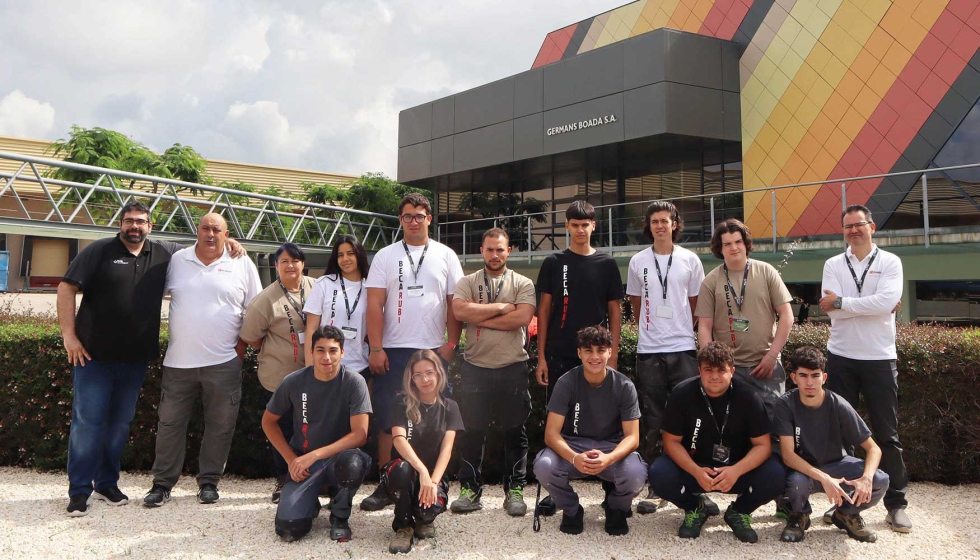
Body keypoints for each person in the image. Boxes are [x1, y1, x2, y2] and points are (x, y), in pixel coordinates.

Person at [58, 201, 245, 517]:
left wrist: (228, 241)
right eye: (129, 220)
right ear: (121, 224)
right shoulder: (98, 251)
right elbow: (66, 288)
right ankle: (79, 491)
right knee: (87, 424)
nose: (135, 226)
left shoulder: (164, 254)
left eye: (141, 221)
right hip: (93, 358)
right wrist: (69, 336)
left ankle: (106, 484)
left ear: (150, 225)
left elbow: (203, 244)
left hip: (134, 360)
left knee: (118, 425)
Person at [142, 213, 261, 508]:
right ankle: (162, 484)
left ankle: (209, 482)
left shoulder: (241, 262)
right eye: (205, 228)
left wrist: (242, 348)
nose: (210, 234)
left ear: (226, 233)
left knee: (220, 425)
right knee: (169, 424)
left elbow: (256, 310)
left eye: (216, 230)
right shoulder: (178, 260)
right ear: (197, 230)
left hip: (224, 362)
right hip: (178, 362)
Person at [361, 193, 464, 511]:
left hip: (432, 349)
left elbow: (453, 306)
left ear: (429, 218)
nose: (414, 221)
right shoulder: (386, 256)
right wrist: (375, 347)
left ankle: (432, 480)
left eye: (419, 215)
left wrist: (450, 346)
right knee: (386, 417)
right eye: (407, 216)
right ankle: (384, 481)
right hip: (392, 350)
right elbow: (374, 305)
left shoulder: (446, 255)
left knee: (434, 418)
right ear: (401, 220)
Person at [818, 204, 911, 532]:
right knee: (840, 435)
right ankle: (842, 504)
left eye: (859, 225)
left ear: (872, 226)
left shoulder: (890, 262)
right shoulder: (833, 264)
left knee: (887, 434)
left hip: (879, 358)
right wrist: (871, 306)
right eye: (847, 226)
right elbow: (831, 312)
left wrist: (844, 302)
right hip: (841, 357)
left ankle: (896, 504)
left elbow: (885, 302)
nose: (853, 230)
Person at [535, 200, 623, 516]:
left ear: (593, 226)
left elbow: (615, 310)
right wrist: (541, 356)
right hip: (560, 353)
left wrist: (613, 356)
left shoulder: (607, 264)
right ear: (567, 226)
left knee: (607, 420)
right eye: (575, 224)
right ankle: (556, 490)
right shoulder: (553, 262)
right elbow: (543, 310)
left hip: (598, 357)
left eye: (586, 224)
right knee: (559, 422)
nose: (580, 229)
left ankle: (612, 486)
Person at [649, 341, 784, 543]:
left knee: (776, 473)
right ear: (699, 371)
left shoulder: (749, 397)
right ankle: (695, 507)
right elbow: (671, 443)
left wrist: (736, 470)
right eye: (708, 370)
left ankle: (739, 511)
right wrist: (696, 471)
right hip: (695, 467)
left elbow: (763, 446)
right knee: (659, 473)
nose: (714, 376)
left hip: (736, 469)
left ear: (732, 371)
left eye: (721, 370)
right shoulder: (682, 394)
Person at [449, 228, 536, 516]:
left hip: (513, 366)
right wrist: (500, 308)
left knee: (515, 432)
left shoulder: (522, 282)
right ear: (481, 251)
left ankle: (515, 490)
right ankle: (470, 490)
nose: (495, 254)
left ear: (509, 250)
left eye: (500, 249)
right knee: (473, 432)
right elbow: (460, 312)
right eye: (489, 249)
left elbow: (523, 317)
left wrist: (482, 316)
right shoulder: (467, 282)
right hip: (476, 368)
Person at [625, 200, 704, 514]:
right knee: (654, 420)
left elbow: (696, 303)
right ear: (649, 225)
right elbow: (635, 302)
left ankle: (691, 483)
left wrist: (680, 327)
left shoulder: (689, 260)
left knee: (688, 418)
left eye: (665, 220)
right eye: (655, 221)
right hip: (649, 350)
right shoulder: (638, 261)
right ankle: (657, 487)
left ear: (675, 224)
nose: (660, 225)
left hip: (683, 348)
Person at [532, 326, 646, 536]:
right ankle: (572, 509)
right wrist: (574, 458)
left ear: (610, 352)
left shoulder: (624, 385)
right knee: (544, 466)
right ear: (579, 353)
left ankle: (616, 507)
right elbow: (551, 434)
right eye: (588, 350)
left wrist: (609, 459)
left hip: (611, 448)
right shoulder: (566, 382)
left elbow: (632, 437)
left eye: (601, 350)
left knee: (636, 474)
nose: (595, 357)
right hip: (573, 447)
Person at [263, 326, 372, 542]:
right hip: (303, 462)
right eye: (320, 350)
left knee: (353, 463)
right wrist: (291, 459)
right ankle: (309, 501)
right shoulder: (293, 381)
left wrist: (315, 455)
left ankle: (340, 516)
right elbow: (268, 422)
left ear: (342, 352)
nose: (326, 357)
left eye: (333, 350)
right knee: (288, 530)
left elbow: (360, 434)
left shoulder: (354, 382)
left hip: (338, 460)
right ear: (311, 352)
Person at [775, 346, 889, 543]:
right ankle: (799, 516)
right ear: (794, 378)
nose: (809, 382)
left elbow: (873, 448)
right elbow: (788, 455)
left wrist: (866, 478)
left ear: (824, 377)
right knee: (795, 484)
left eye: (815, 375)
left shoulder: (838, 404)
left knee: (880, 480)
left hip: (836, 464)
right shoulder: (785, 404)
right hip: (803, 470)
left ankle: (846, 514)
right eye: (803, 375)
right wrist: (824, 478)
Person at [240, 242, 316, 502]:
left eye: (295, 260)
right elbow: (252, 337)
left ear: (303, 264)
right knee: (282, 429)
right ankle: (283, 478)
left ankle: (313, 476)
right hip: (279, 378)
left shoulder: (316, 287)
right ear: (276, 266)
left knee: (310, 427)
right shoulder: (266, 299)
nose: (290, 265)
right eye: (284, 261)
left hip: (314, 374)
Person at [695, 218, 793, 421]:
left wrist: (772, 356)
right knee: (731, 424)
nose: (734, 248)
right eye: (727, 244)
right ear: (719, 248)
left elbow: (786, 315)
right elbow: (704, 326)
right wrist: (714, 364)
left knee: (773, 422)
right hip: (729, 369)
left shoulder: (767, 272)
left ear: (746, 243)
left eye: (738, 241)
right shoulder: (711, 281)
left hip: (765, 364)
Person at [383, 350, 463, 553]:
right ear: (411, 378)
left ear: (439, 373)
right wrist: (422, 471)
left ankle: (423, 519)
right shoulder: (400, 403)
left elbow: (447, 449)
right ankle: (403, 526)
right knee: (403, 469)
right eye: (418, 374)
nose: (424, 379)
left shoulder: (450, 407)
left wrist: (433, 481)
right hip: (403, 471)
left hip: (432, 476)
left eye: (429, 372)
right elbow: (399, 440)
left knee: (428, 511)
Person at [303, 235, 371, 375]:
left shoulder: (370, 287)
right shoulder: (324, 283)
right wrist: (310, 367)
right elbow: (311, 328)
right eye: (340, 255)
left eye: (350, 253)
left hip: (360, 367)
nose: (345, 259)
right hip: (326, 366)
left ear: (359, 254)